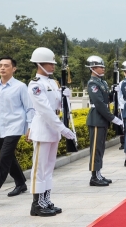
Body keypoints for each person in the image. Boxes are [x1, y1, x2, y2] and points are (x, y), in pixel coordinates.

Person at [27, 48, 76, 216]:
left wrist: (65, 97)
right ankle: (36, 204)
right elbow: (45, 111)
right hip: (43, 129)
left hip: (52, 129)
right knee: (39, 168)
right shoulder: (35, 84)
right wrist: (62, 128)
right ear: (39, 64)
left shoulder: (53, 83)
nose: (53, 66)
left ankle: (46, 200)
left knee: (48, 168)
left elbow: (57, 107)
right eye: (49, 63)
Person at [0, 56, 33, 198]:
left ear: (14, 69)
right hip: (0, 128)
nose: (2, 68)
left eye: (6, 65)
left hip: (14, 127)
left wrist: (30, 127)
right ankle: (20, 183)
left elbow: (29, 108)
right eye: (0, 65)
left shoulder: (20, 87)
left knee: (4, 159)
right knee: (9, 157)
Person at [86, 55, 123, 187]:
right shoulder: (93, 83)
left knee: (100, 148)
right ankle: (94, 176)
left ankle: (98, 173)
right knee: (95, 148)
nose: (103, 69)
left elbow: (107, 100)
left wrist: (114, 93)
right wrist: (113, 118)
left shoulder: (103, 83)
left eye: (103, 67)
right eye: (100, 67)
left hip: (102, 119)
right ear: (92, 68)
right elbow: (100, 104)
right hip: (96, 118)